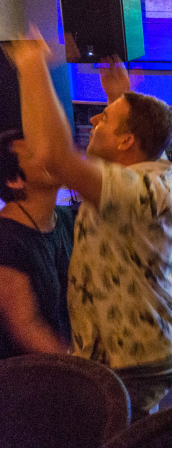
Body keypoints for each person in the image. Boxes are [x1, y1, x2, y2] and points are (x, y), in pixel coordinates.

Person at [5, 30, 172, 421]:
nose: (94, 119)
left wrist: (33, 67)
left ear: (126, 142)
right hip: (138, 351)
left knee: (115, 433)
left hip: (131, 358)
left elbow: (56, 157)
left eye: (105, 118)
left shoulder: (142, 186)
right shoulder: (149, 170)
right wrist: (119, 99)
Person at [0, 129, 73, 359]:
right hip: (33, 379)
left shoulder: (69, 218)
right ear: (14, 180)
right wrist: (86, 369)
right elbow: (27, 328)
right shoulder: (6, 239)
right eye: (35, 154)